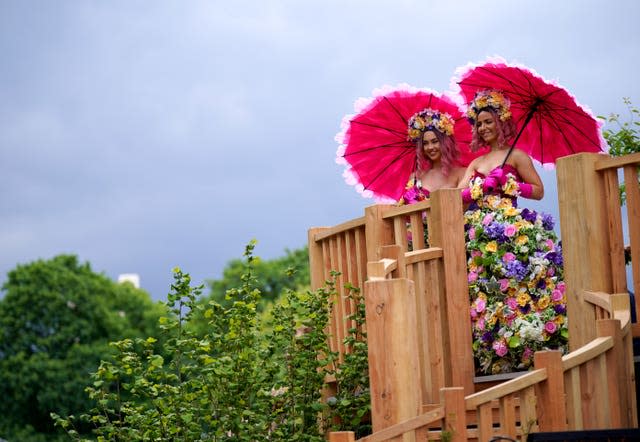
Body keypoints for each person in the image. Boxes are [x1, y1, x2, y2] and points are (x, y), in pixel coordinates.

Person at [458, 90, 568, 376]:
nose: (483, 128)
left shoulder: (517, 155)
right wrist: (478, 188)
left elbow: (539, 190)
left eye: (487, 122)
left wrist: (511, 186)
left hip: (511, 232)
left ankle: (528, 352)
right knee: (486, 294)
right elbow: (458, 197)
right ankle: (495, 355)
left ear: (501, 122)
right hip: (480, 237)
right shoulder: (475, 164)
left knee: (516, 289)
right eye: (478, 124)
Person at [399, 108, 466, 205]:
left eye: (435, 142)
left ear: (446, 143)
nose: (430, 147)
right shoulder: (415, 177)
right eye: (425, 143)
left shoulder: (462, 173)